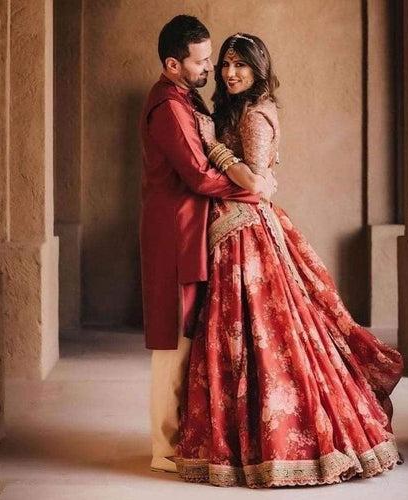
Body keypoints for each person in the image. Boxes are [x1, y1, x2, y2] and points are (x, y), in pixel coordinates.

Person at [175, 33, 404, 488]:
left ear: (259, 70)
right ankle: (249, 442)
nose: (230, 73)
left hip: (248, 237)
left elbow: (256, 183)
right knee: (242, 340)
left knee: (266, 337)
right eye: (225, 64)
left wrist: (211, 146)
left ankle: (288, 444)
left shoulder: (257, 115)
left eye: (240, 65)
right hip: (232, 230)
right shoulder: (233, 109)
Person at [138, 18, 277, 473]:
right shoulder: (169, 107)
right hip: (176, 233)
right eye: (202, 62)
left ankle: (185, 438)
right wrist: (254, 188)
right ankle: (164, 448)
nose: (212, 71)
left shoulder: (186, 96)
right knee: (172, 341)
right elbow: (198, 175)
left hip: (191, 229)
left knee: (188, 336)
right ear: (173, 64)